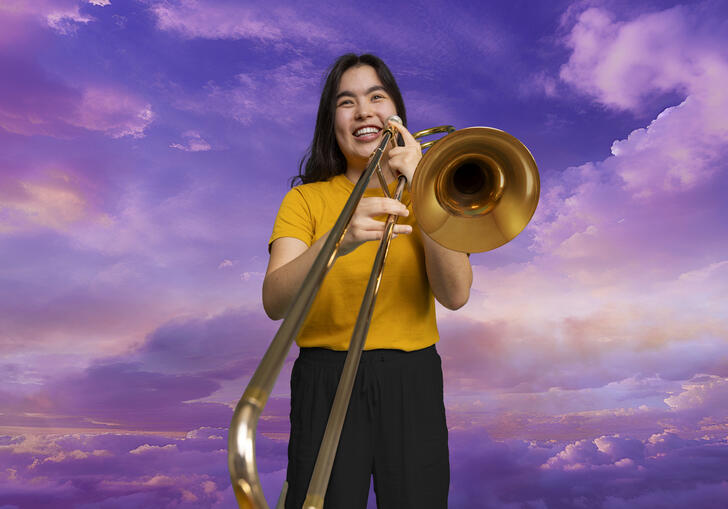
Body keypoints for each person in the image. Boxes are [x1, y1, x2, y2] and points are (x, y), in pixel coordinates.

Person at [263, 53, 472, 509]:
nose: (363, 111)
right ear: (332, 123)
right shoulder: (304, 199)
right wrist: (337, 239)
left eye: (376, 96)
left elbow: (455, 295)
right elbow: (276, 301)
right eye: (346, 102)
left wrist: (423, 184)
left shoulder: (431, 194)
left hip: (411, 377)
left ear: (395, 112)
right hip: (325, 375)